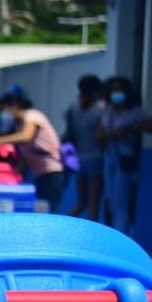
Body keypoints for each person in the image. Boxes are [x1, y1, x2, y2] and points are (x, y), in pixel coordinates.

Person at [96, 75, 152, 235]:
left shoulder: (135, 112)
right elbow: (98, 134)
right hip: (109, 155)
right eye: (113, 90)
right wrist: (108, 135)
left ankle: (121, 235)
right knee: (110, 199)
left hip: (125, 157)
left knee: (121, 200)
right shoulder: (109, 111)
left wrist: (132, 128)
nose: (116, 93)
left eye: (119, 89)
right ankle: (112, 233)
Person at [0, 91, 65, 213]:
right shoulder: (19, 125)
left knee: (50, 214)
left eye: (4, 109)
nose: (3, 114)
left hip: (52, 174)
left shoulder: (32, 117)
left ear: (14, 105)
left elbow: (25, 137)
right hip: (40, 176)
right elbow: (25, 155)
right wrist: (15, 176)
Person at [62, 74, 106, 221]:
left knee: (81, 202)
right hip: (96, 158)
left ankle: (64, 225)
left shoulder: (73, 108)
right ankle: (92, 237)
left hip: (78, 158)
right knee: (94, 203)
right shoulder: (101, 109)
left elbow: (69, 133)